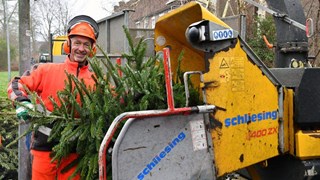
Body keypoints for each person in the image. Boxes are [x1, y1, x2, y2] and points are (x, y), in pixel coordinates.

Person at [7, 15, 99, 180]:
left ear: (92, 49)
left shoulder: (96, 80)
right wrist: (22, 103)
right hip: (45, 148)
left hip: (76, 152)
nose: (81, 49)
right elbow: (17, 84)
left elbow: (116, 99)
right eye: (77, 43)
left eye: (86, 44)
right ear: (68, 45)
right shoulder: (45, 70)